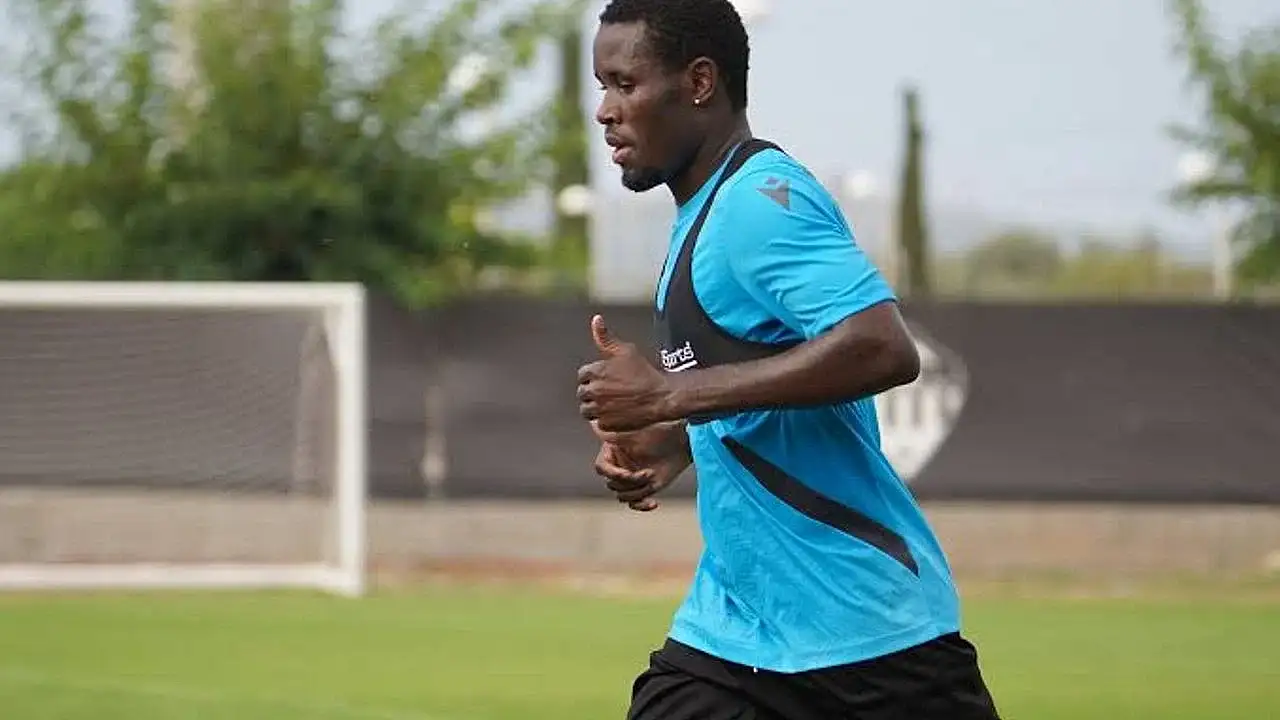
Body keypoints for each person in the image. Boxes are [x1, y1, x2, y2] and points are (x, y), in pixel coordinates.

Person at [574, 1, 1002, 718]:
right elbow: (756, 385)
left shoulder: (759, 203)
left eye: (625, 84)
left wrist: (670, 397)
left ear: (700, 82)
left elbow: (881, 345)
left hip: (865, 634)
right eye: (602, 87)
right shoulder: (703, 215)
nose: (605, 111)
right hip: (737, 632)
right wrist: (675, 442)